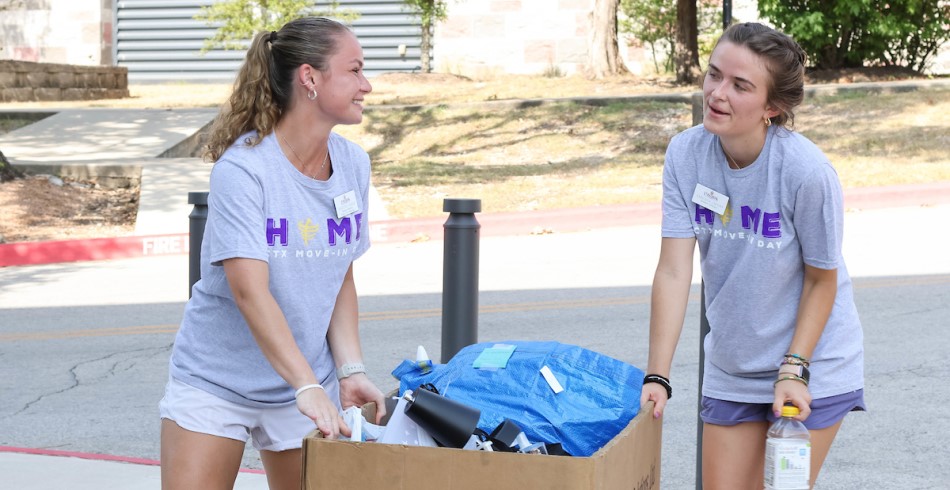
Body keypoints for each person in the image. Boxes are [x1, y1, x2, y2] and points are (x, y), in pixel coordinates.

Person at [159, 17, 387, 490]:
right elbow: (250, 292)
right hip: (218, 382)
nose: (366, 85)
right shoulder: (244, 170)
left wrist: (349, 371)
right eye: (354, 70)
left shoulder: (352, 164)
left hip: (304, 384)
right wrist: (306, 385)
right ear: (310, 77)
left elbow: (338, 272)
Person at [639, 22, 865, 489]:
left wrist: (795, 368)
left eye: (740, 85)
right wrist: (657, 376)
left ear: (772, 106)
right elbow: (674, 270)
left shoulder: (806, 173)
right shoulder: (686, 155)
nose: (717, 94)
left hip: (812, 362)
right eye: (714, 74)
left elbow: (823, 280)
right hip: (734, 362)